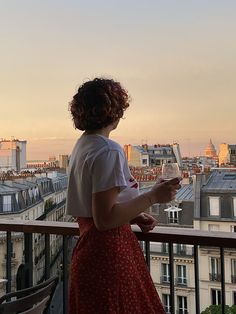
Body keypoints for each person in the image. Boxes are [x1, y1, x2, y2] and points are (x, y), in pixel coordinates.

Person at [66, 78, 181, 314]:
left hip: (89, 252)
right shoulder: (108, 149)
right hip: (109, 255)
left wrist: (132, 216)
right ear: (114, 111)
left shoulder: (82, 147)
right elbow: (105, 219)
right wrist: (153, 196)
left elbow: (94, 210)